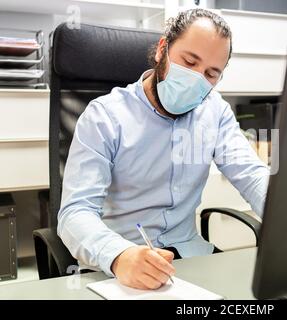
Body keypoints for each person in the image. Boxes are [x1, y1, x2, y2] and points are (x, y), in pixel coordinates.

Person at [57, 8, 270, 290]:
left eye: (210, 73)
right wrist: (119, 255)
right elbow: (75, 212)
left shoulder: (215, 112)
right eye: (189, 61)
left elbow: (252, 174)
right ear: (162, 50)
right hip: (121, 267)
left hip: (191, 259)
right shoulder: (105, 116)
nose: (197, 78)